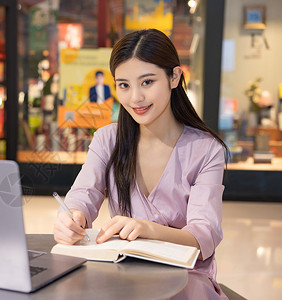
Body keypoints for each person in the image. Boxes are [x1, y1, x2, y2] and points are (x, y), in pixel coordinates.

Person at [53, 29, 229, 299]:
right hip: (122, 272)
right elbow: (83, 196)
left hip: (185, 277)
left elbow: (204, 234)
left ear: (174, 77)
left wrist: (149, 230)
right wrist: (72, 217)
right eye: (123, 85)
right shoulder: (107, 139)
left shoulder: (206, 149)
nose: (135, 98)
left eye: (147, 82)